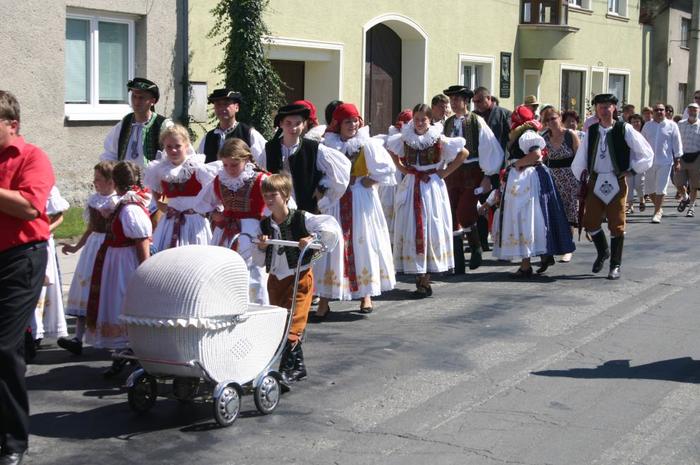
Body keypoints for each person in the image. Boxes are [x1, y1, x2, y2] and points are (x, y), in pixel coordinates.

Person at [0, 90, 55, 465]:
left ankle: (14, 442)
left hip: (21, 259)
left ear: (12, 124)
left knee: (3, 347)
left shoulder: (33, 157)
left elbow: (29, 207)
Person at [256, 174, 341, 387]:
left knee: (294, 322)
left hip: (299, 277)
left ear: (285, 195)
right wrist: (262, 247)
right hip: (276, 279)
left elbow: (330, 229)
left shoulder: (302, 218)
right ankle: (299, 367)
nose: (269, 200)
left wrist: (313, 238)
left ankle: (285, 371)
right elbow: (258, 259)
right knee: (280, 323)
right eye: (265, 196)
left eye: (273, 195)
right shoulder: (264, 225)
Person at [316, 103, 396, 316]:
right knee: (332, 244)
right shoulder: (327, 145)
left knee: (363, 242)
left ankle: (365, 294)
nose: (352, 125)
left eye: (354, 121)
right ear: (338, 124)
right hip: (336, 199)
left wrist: (371, 180)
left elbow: (386, 168)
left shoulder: (366, 144)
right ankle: (324, 299)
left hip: (360, 198)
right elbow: (319, 171)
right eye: (347, 122)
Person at [386, 103, 468, 297]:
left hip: (431, 186)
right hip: (411, 184)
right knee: (411, 226)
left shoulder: (438, 138)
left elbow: (463, 153)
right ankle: (418, 272)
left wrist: (443, 173)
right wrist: (403, 169)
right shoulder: (405, 137)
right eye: (416, 119)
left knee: (430, 226)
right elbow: (390, 150)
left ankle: (425, 277)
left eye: (423, 119)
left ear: (430, 120)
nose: (420, 123)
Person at [572, 94, 654, 280]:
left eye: (607, 106)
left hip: (616, 181)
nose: (603, 110)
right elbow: (582, 156)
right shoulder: (592, 131)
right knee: (590, 222)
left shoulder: (624, 129)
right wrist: (582, 177)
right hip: (595, 180)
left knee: (617, 224)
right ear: (596, 109)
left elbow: (646, 153)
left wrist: (632, 170)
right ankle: (603, 251)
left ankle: (615, 265)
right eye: (600, 106)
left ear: (614, 108)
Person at [86, 161, 152, 378]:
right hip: (117, 261)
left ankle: (133, 352)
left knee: (125, 302)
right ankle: (124, 352)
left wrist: (145, 270)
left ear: (115, 182)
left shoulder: (130, 208)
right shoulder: (124, 205)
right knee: (118, 303)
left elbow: (142, 240)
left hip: (125, 263)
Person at [492, 107, 575, 277]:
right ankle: (543, 254)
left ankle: (527, 265)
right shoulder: (524, 134)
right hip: (527, 178)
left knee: (526, 218)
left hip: (528, 179)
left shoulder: (527, 134)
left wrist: (515, 165)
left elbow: (536, 155)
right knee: (534, 217)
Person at [196, 138, 270, 304]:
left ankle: (255, 309)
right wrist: (214, 214)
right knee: (222, 270)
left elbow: (282, 202)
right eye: (225, 165)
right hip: (225, 232)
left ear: (246, 160)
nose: (229, 169)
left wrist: (266, 221)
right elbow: (201, 203)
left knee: (252, 273)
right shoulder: (219, 180)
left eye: (234, 165)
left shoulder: (261, 179)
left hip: (251, 233)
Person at [442, 85, 504, 273]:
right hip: (452, 172)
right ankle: (458, 262)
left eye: (457, 99)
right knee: (451, 214)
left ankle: (476, 246)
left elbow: (490, 148)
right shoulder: (447, 123)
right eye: (451, 100)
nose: (453, 103)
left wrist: (488, 175)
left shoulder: (476, 121)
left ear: (466, 101)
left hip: (472, 170)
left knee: (465, 211)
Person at [58, 161, 119, 355]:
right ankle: (77, 338)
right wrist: (76, 247)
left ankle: (112, 336)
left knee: (106, 290)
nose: (94, 183)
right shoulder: (94, 200)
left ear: (111, 181)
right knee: (85, 288)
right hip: (93, 247)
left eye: (98, 179)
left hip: (110, 247)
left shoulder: (120, 201)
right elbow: (91, 228)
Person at [144, 124, 214, 252]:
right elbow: (162, 198)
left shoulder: (198, 168)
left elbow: (211, 194)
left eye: (178, 146)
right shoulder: (159, 170)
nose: (173, 150)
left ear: (186, 146)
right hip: (169, 222)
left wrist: (199, 210)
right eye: (169, 147)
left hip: (194, 222)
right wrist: (170, 208)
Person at [100, 78, 172, 166]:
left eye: (141, 98)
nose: (136, 102)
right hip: (125, 174)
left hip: (152, 175)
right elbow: (110, 153)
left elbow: (176, 155)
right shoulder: (125, 123)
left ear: (152, 101)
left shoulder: (164, 126)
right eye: (134, 96)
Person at [30, 187, 70, 346]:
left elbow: (59, 217)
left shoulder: (49, 189)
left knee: (44, 288)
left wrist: (43, 230)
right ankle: (31, 331)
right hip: (25, 243)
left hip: (43, 241)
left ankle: (39, 331)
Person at [541, 108, 581, 263]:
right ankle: (553, 246)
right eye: (548, 120)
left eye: (553, 118)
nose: (551, 122)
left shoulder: (570, 135)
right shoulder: (544, 138)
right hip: (552, 178)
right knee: (553, 212)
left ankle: (568, 248)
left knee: (569, 213)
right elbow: (542, 159)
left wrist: (581, 180)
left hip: (570, 177)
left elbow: (580, 157)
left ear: (560, 118)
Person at [198, 88, 267, 165]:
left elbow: (262, 163)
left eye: (226, 104)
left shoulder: (249, 134)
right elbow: (199, 166)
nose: (221, 108)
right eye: (218, 104)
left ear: (236, 107)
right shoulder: (208, 138)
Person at [641, 103, 683, 223]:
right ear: (652, 112)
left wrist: (677, 161)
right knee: (649, 189)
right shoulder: (647, 125)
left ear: (665, 111)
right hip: (649, 162)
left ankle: (657, 212)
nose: (659, 112)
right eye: (656, 110)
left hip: (665, 161)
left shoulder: (672, 125)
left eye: (661, 110)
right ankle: (659, 208)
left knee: (661, 187)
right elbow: (642, 143)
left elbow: (677, 143)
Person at [675, 103, 700, 217]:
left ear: (698, 111)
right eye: (690, 109)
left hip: (696, 158)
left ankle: (691, 207)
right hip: (681, 157)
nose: (692, 111)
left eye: (695, 109)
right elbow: (675, 140)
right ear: (687, 111)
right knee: (678, 182)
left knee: (694, 185)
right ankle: (685, 197)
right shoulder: (680, 124)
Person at [473, 86, 512, 151]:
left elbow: (512, 138)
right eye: (474, 101)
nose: (476, 104)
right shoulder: (473, 116)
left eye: (479, 101)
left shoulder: (505, 114)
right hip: (479, 155)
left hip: (499, 154)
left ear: (488, 98)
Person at [625, 114, 647, 213]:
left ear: (641, 123)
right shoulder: (627, 134)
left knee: (639, 183)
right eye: (633, 122)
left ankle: (642, 199)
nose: (635, 124)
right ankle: (630, 206)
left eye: (637, 122)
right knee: (629, 184)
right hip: (629, 162)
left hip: (640, 162)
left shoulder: (644, 134)